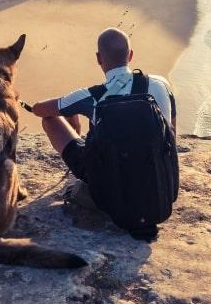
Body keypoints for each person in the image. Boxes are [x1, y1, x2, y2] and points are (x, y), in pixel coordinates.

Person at [25, 28, 178, 236]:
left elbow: (41, 109)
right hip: (159, 185)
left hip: (113, 187)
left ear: (99, 59)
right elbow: (172, 136)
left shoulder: (93, 96)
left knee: (50, 121)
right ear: (131, 55)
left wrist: (70, 113)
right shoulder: (161, 84)